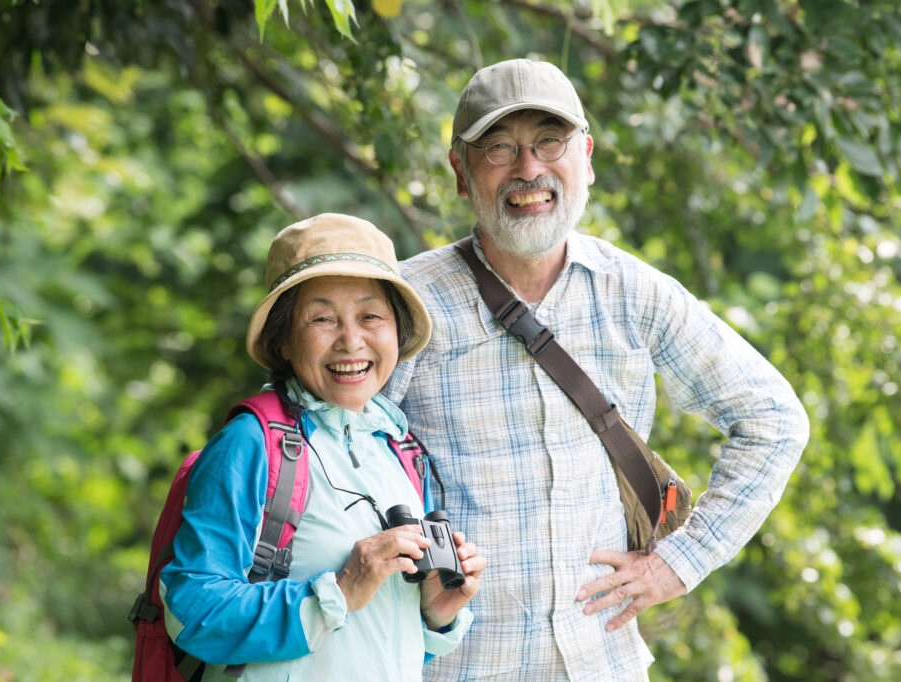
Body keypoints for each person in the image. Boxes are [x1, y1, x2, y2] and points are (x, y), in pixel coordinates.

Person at [383, 59, 810, 680]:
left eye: (548, 142)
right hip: (453, 665)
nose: (528, 169)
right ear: (460, 171)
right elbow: (327, 457)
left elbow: (774, 419)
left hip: (601, 663)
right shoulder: (401, 303)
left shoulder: (633, 291)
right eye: (499, 148)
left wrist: (680, 562)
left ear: (586, 157)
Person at [160, 213, 485, 681]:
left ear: (396, 331)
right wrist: (342, 589)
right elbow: (189, 611)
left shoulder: (398, 450)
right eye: (322, 318)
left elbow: (368, 643)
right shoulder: (252, 443)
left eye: (371, 316)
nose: (351, 340)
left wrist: (435, 613)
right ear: (284, 340)